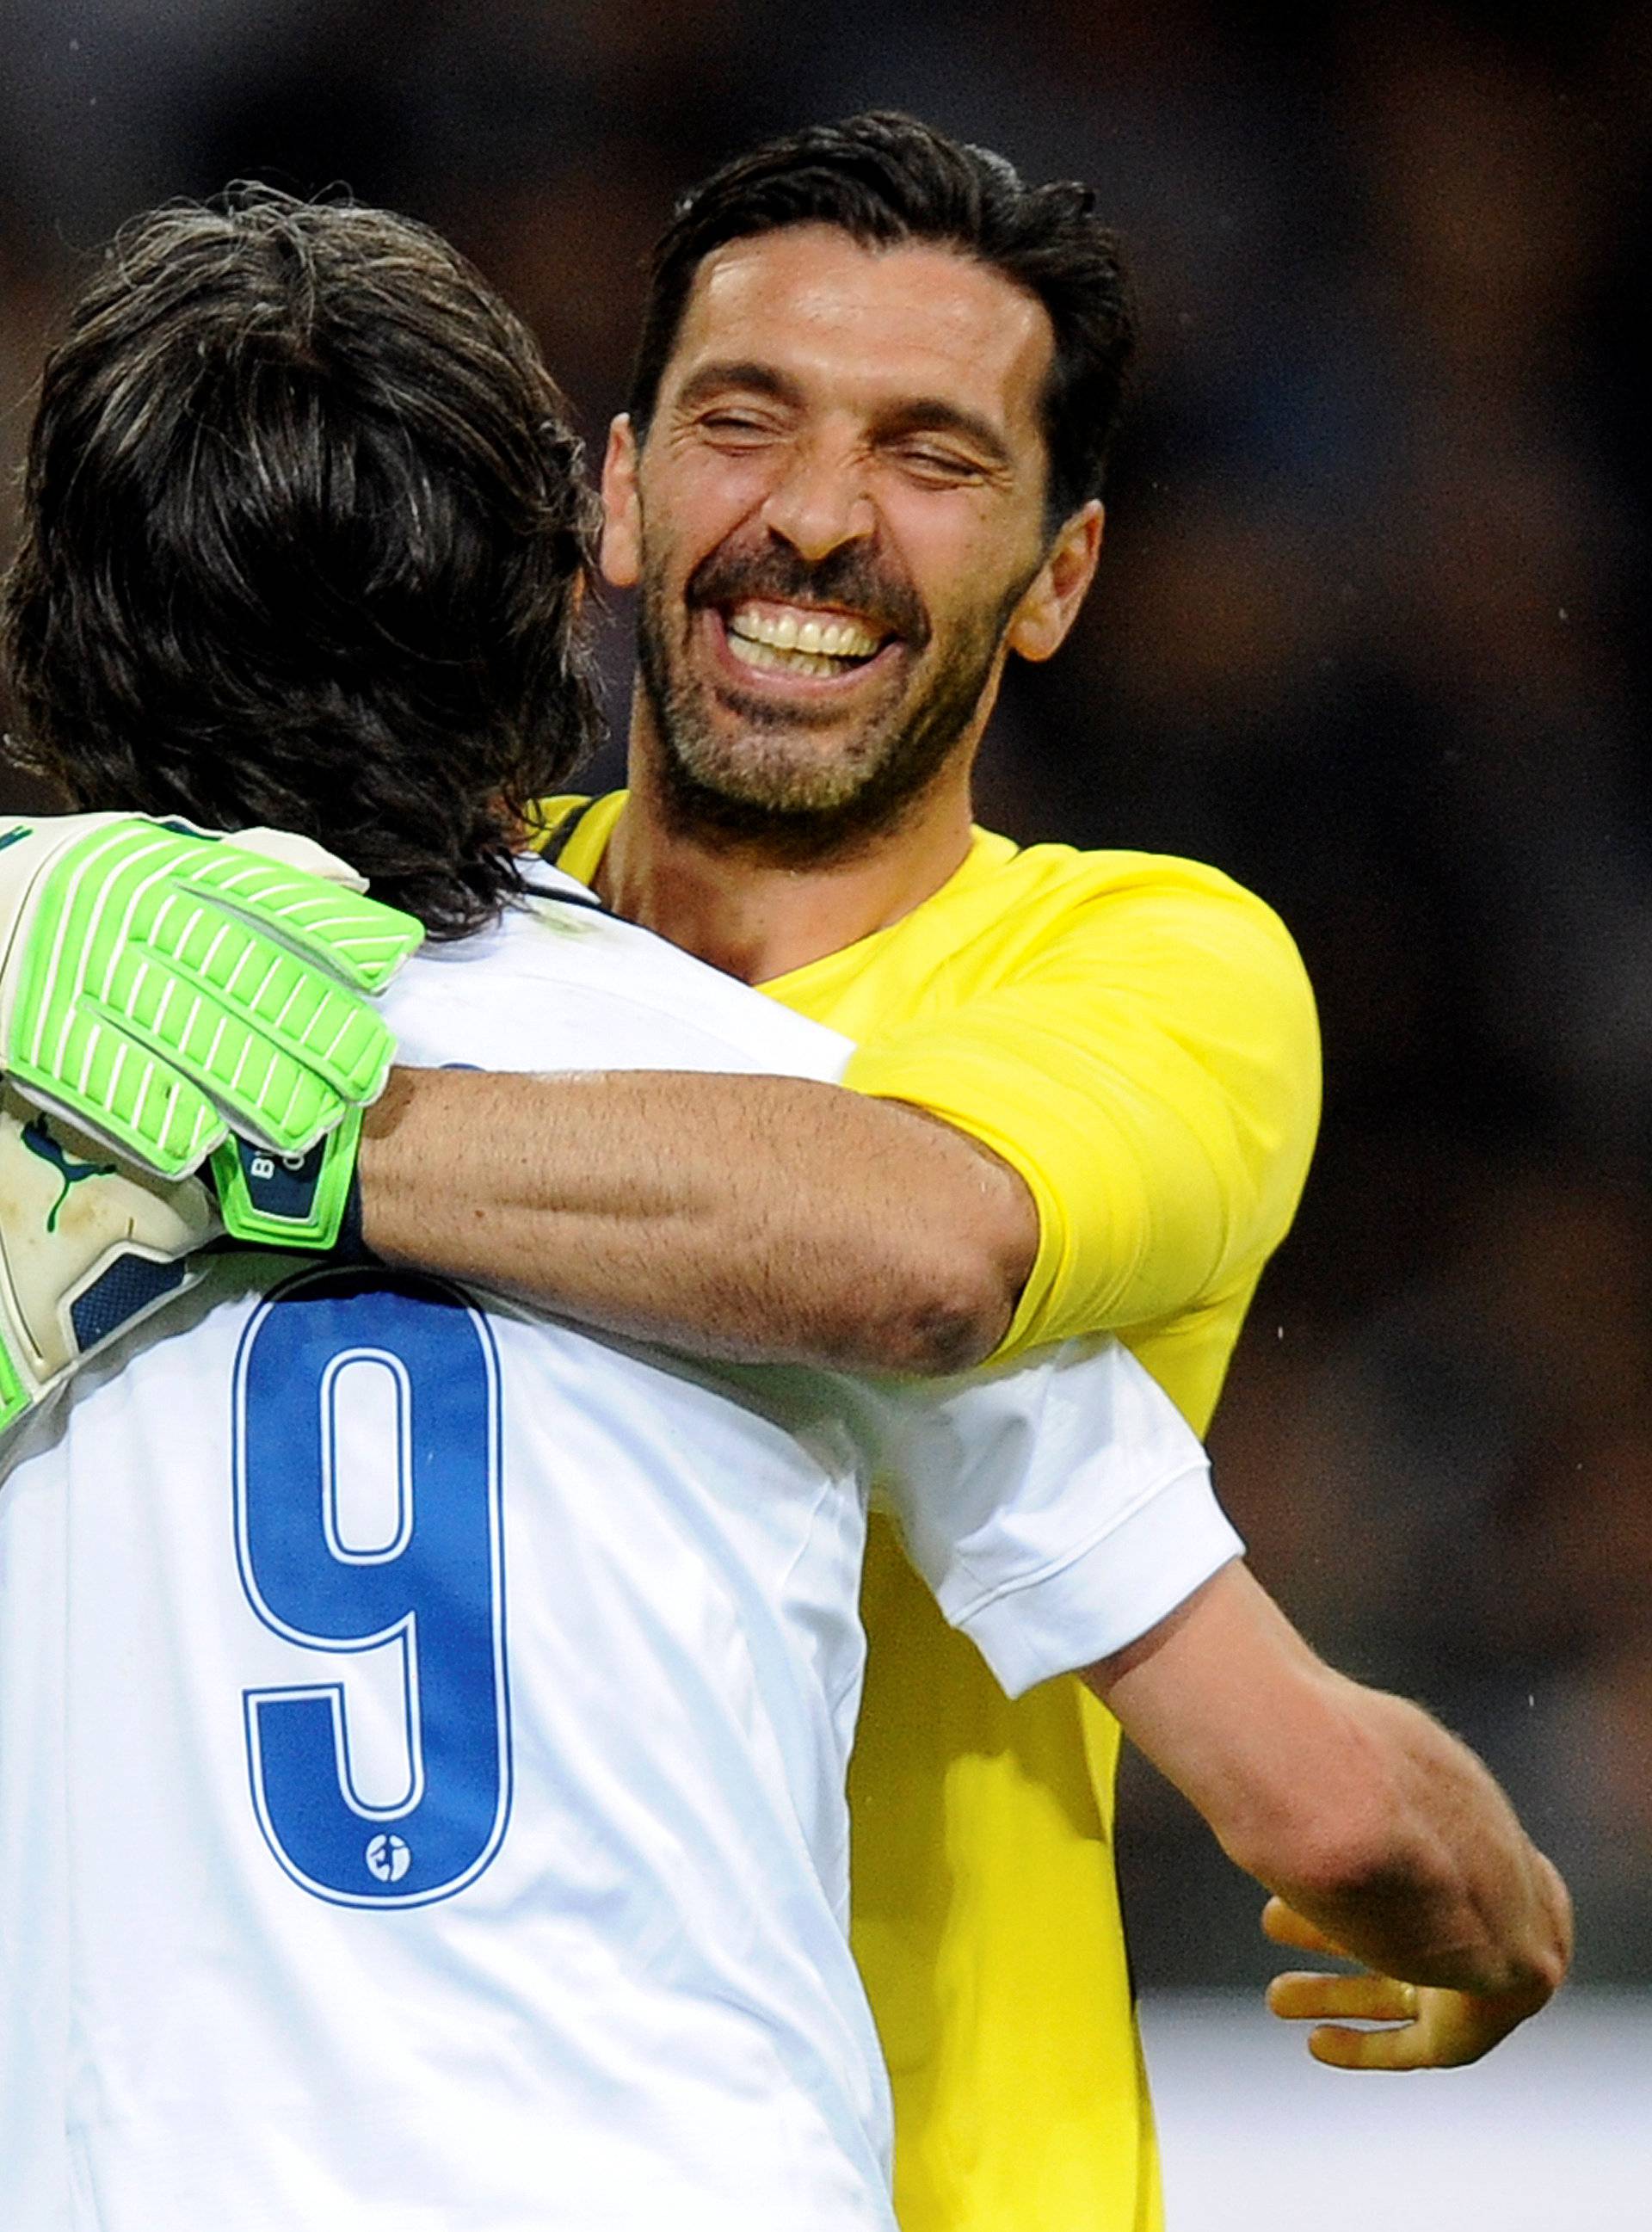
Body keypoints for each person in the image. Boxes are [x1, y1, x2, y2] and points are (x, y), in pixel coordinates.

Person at [0, 120, 1572, 2230]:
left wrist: (239, 1129)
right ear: (615, 501)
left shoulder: (1152, 967)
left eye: (933, 456)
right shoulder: (436, 961)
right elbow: (1335, 1796)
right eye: (749, 421)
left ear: (1065, 574)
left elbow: (914, 1241)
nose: (820, 519)